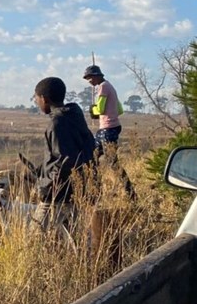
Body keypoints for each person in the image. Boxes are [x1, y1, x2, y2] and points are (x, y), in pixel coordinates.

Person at [31, 77, 95, 243]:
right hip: (78, 188)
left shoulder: (57, 123)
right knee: (76, 235)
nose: (36, 102)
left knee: (34, 236)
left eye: (36, 98)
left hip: (58, 192)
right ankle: (85, 264)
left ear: (44, 99)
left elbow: (64, 159)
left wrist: (45, 186)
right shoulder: (74, 116)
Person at [83, 65, 137, 200]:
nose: (89, 81)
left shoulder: (103, 87)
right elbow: (120, 110)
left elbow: (100, 109)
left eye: (89, 78)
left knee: (112, 162)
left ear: (96, 76)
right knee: (92, 156)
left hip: (107, 128)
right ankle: (96, 190)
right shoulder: (110, 86)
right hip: (110, 127)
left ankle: (131, 194)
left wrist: (93, 110)